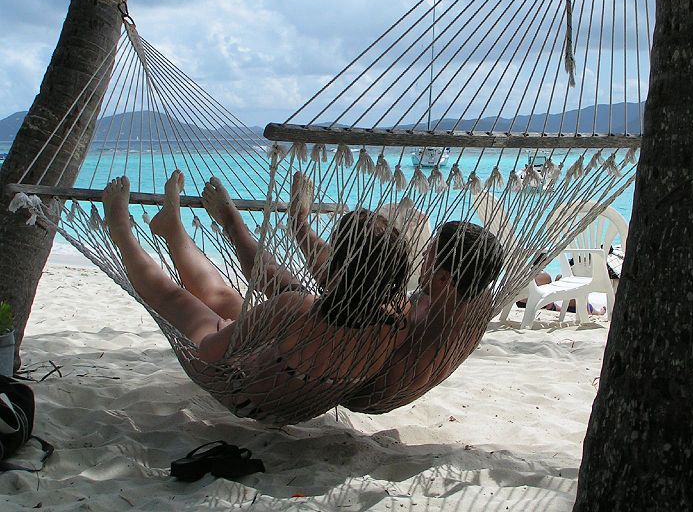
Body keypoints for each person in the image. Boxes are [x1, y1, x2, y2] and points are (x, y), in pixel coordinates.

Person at [101, 170, 411, 394]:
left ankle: (122, 233)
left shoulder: (299, 306)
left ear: (339, 265)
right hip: (293, 388)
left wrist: (225, 329)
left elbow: (209, 352)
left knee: (182, 302)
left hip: (242, 389)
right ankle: (172, 229)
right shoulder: (397, 318)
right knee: (228, 300)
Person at [342, 220, 505, 414]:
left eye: (429, 252)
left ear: (443, 278)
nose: (423, 254)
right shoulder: (477, 298)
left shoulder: (418, 342)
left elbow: (360, 399)